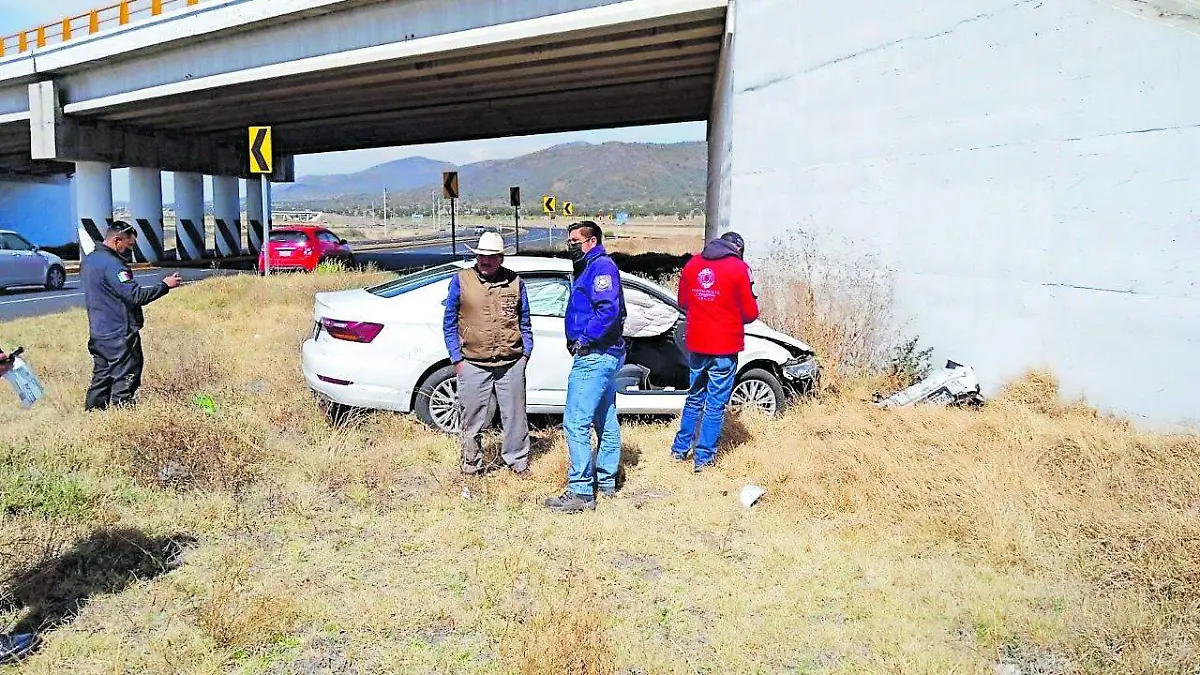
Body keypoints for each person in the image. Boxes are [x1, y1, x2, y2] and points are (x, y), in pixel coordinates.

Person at [545, 221, 627, 513]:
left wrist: (583, 339)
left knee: (576, 421)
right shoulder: (591, 266)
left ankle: (581, 490)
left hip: (595, 354)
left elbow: (608, 310)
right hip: (602, 353)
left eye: (575, 242)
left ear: (591, 241)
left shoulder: (601, 268)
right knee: (605, 416)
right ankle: (606, 480)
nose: (571, 247)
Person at [443, 232, 534, 475]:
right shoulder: (461, 280)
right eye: (482, 256)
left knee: (515, 417)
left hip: (511, 362)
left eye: (491, 257)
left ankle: (517, 462)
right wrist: (457, 358)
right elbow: (449, 321)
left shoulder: (515, 282)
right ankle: (471, 464)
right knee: (472, 417)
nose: (485, 261)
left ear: (501, 258)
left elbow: (524, 320)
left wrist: (526, 354)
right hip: (472, 362)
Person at [670, 231, 760, 471]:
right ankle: (703, 458)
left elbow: (683, 302)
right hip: (724, 344)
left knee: (694, 395)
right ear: (738, 249)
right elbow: (751, 313)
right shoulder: (739, 268)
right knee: (715, 403)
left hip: (697, 342)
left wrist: (704, 307)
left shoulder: (693, 264)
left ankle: (680, 449)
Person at [82, 222, 182, 411]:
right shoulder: (113, 265)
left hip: (98, 331)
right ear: (117, 240)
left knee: (102, 376)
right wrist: (165, 285)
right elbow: (136, 296)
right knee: (126, 376)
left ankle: (93, 414)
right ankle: (124, 414)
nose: (129, 250)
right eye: (128, 245)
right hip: (119, 332)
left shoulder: (90, 260)